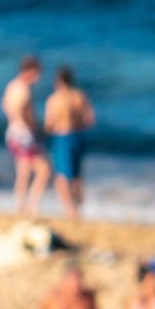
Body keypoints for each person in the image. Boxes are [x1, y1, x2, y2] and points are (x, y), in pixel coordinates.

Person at [44, 66, 97, 221]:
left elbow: (48, 124)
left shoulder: (54, 99)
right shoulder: (80, 96)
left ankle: (70, 211)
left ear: (58, 81)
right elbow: (90, 120)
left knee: (61, 177)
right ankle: (79, 206)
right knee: (77, 176)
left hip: (62, 137)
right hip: (78, 136)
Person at [1, 54, 50, 216]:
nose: (39, 77)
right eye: (37, 72)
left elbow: (5, 105)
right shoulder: (24, 88)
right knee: (44, 170)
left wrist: (15, 121)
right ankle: (32, 206)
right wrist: (27, 125)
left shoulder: (12, 85)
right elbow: (18, 109)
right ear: (30, 71)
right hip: (23, 134)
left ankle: (21, 207)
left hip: (13, 132)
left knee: (23, 171)